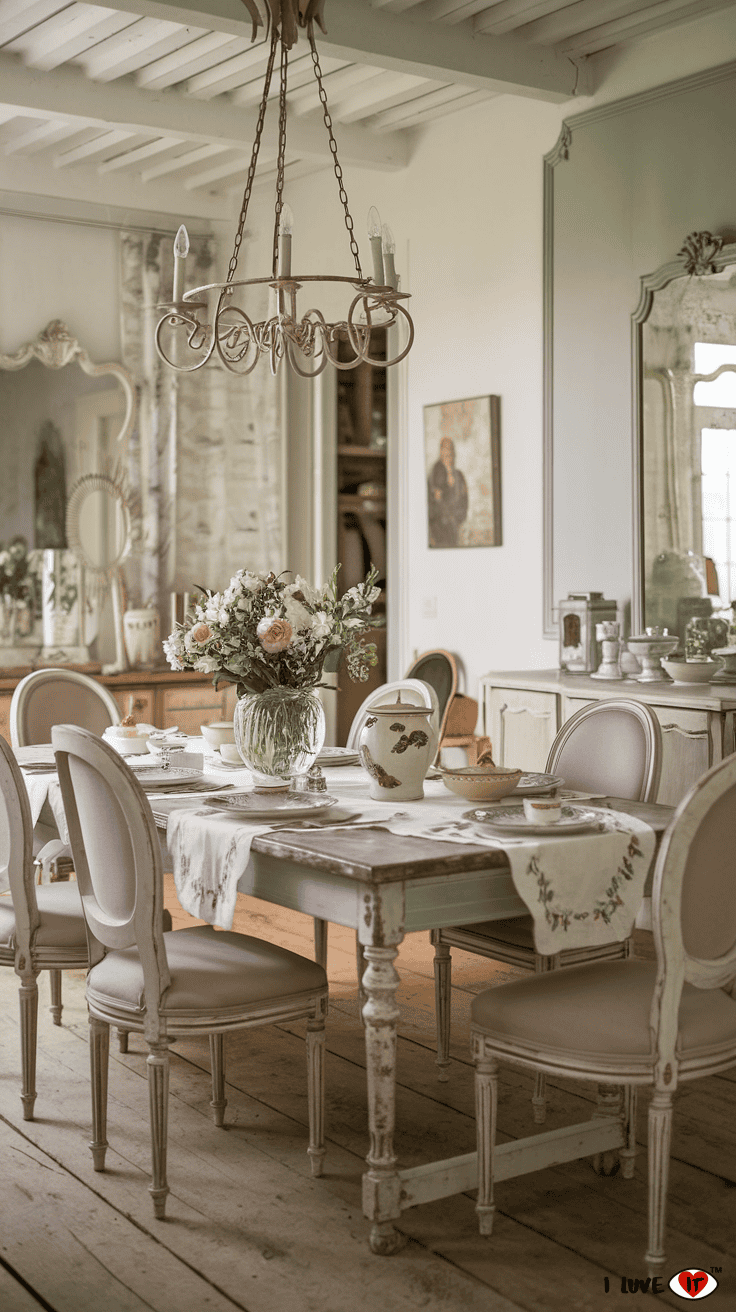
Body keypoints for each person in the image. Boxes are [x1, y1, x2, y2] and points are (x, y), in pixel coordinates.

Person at [427, 436, 468, 547]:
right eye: (445, 449)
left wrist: (458, 519)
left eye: (450, 449)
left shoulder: (459, 476)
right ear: (440, 452)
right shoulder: (435, 474)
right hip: (438, 531)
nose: (448, 452)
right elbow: (435, 503)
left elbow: (464, 500)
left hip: (454, 528)